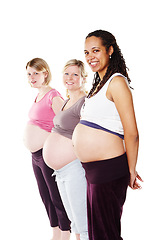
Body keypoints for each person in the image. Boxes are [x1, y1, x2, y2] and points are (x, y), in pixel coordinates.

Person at [72, 30, 143, 240]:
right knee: (97, 234)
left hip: (108, 169)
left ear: (110, 50)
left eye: (96, 50)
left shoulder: (117, 82)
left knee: (106, 235)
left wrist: (131, 169)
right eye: (86, 52)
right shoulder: (97, 87)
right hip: (93, 171)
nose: (90, 57)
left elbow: (132, 132)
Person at [23, 58, 71, 240]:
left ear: (45, 73)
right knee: (45, 196)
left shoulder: (53, 95)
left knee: (55, 195)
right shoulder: (37, 95)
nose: (32, 77)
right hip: (35, 155)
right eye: (29, 74)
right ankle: (55, 233)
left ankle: (65, 234)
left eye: (36, 73)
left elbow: (66, 124)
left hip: (47, 154)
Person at [43, 59, 89, 240]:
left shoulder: (85, 102)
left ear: (83, 78)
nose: (70, 78)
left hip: (74, 169)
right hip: (60, 172)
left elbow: (90, 134)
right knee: (74, 222)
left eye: (75, 74)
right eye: (67, 73)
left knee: (83, 224)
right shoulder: (66, 101)